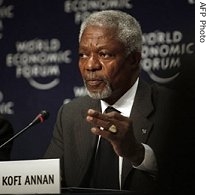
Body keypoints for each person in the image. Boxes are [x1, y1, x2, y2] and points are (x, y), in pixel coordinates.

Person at [44, 10, 194, 194]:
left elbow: (192, 180)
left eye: (104, 54)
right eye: (83, 54)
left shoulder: (175, 109)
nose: (90, 65)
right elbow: (46, 181)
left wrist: (137, 153)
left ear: (133, 59)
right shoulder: (70, 113)